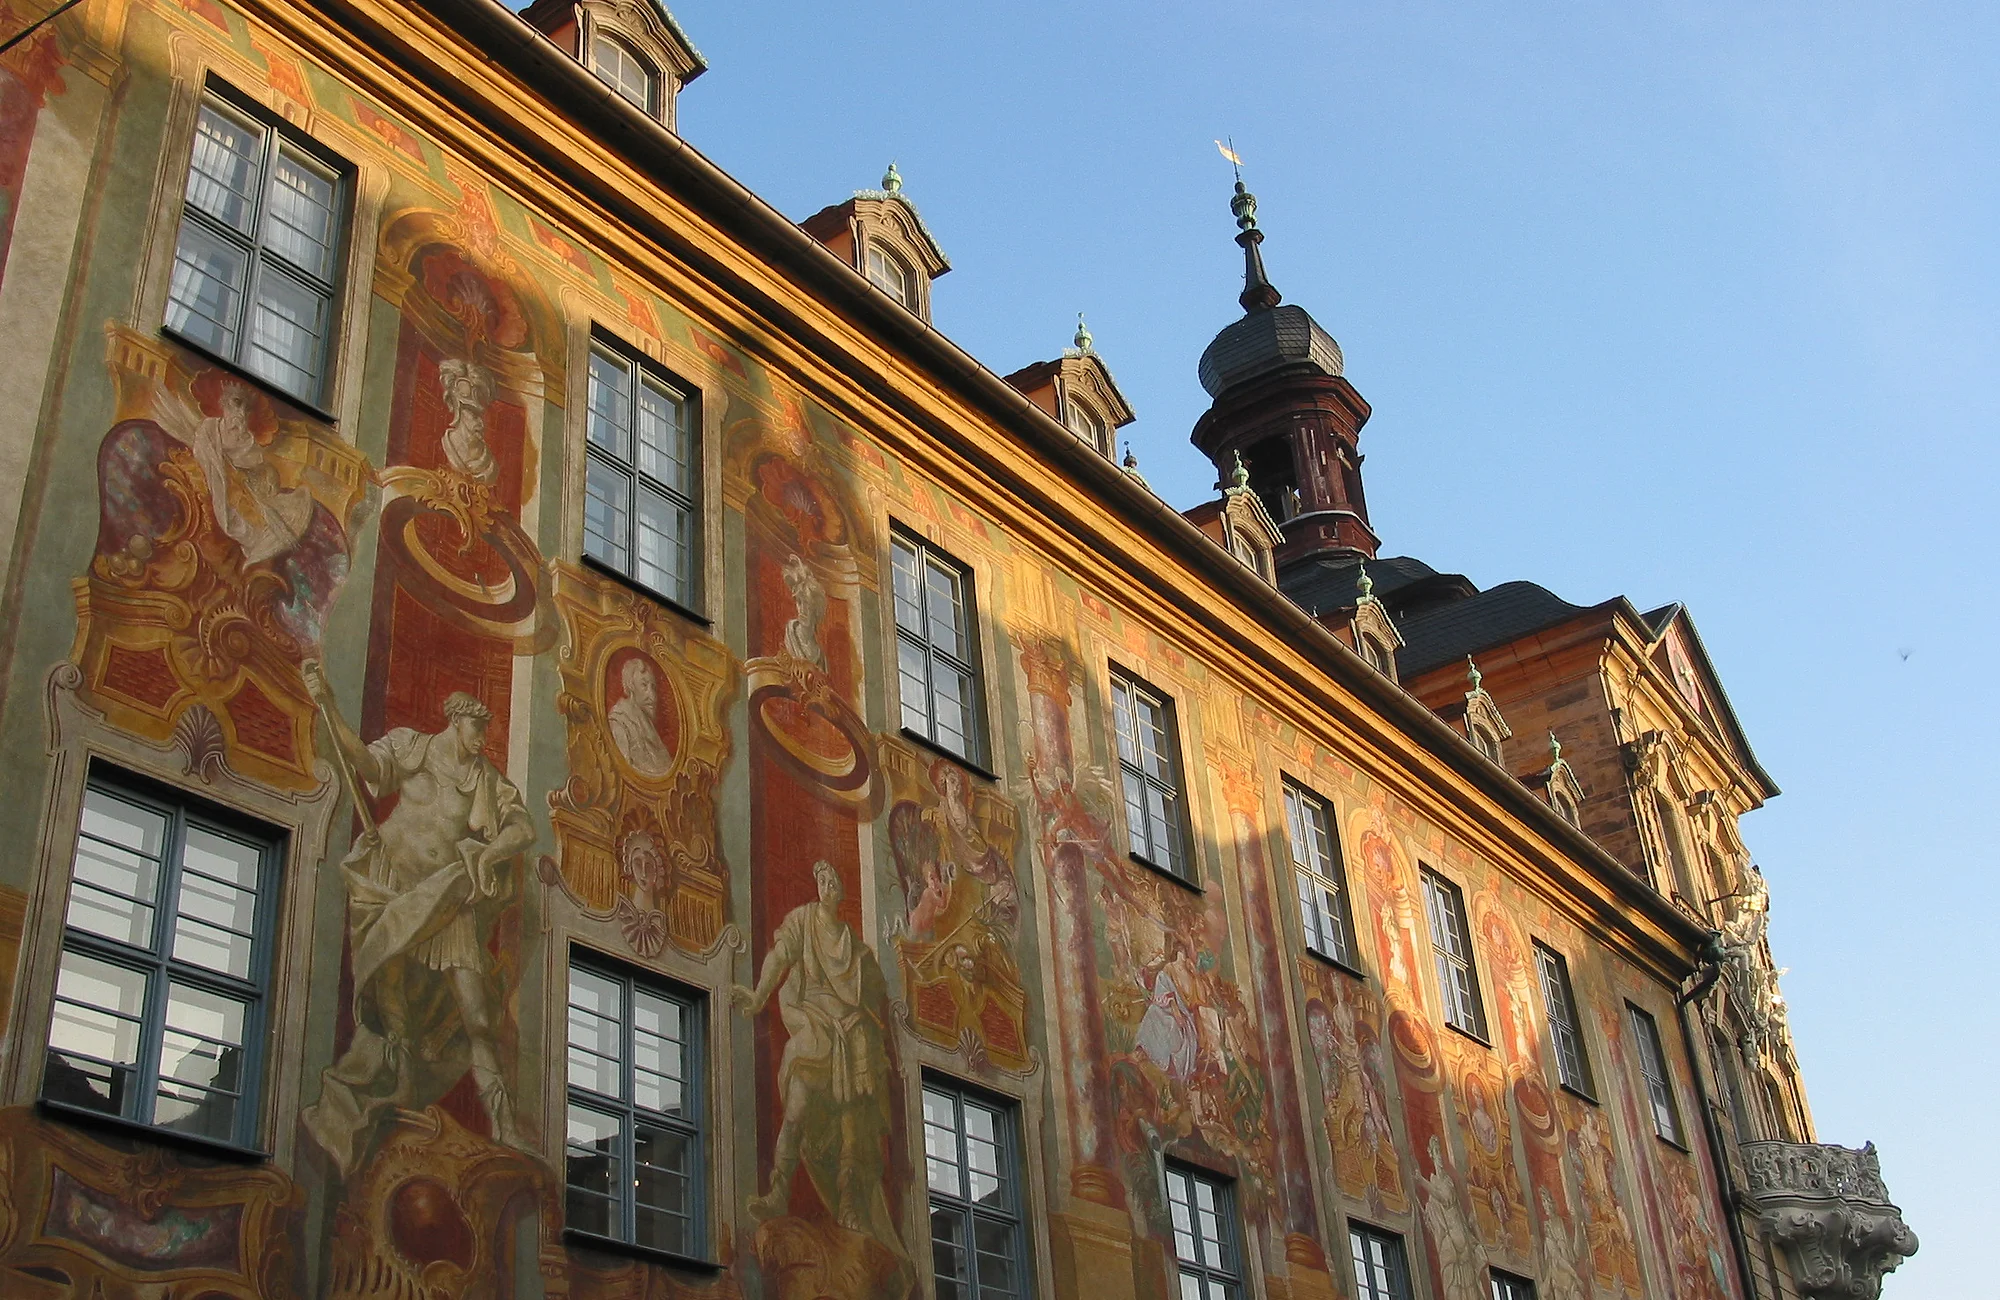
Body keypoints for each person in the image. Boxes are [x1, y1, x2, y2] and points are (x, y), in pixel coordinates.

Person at [300, 662, 536, 1176]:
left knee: (477, 1015)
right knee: (395, 1007)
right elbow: (364, 764)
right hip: (390, 887)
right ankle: (397, 1093)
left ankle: (504, 1123)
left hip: (447, 903)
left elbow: (523, 829)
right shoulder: (413, 747)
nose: (483, 738)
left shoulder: (486, 780)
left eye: (487, 730)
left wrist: (488, 854)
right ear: (457, 721)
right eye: (478, 728)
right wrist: (331, 706)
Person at [730, 862, 903, 1261]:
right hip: (815, 1024)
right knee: (797, 1107)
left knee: (850, 1124)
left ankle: (848, 1205)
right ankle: (778, 1190)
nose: (826, 885)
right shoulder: (803, 921)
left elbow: (876, 991)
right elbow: (778, 957)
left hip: (851, 1031)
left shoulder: (854, 946)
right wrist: (758, 997)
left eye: (833, 881)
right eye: (821, 879)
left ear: (841, 893)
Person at [607, 655, 674, 777]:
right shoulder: (619, 721)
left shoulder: (649, 727)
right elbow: (623, 772)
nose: (652, 695)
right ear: (631, 686)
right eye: (644, 685)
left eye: (653, 687)